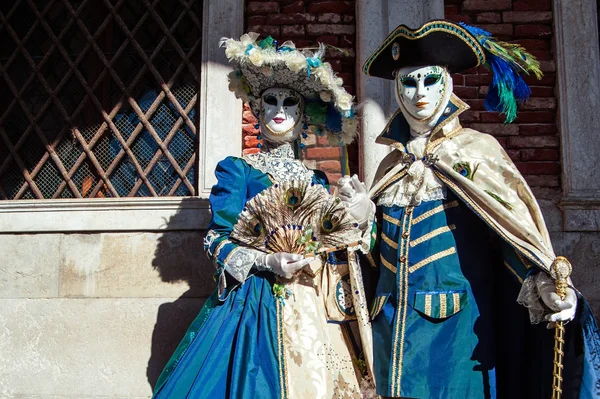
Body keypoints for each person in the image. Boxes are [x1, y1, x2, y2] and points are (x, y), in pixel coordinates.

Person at [339, 20, 600, 398]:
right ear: (396, 89)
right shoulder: (388, 166)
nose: (419, 94)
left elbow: (511, 233)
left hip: (456, 329)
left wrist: (543, 281)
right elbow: (379, 257)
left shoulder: (476, 152)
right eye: (409, 83)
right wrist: (365, 222)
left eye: (430, 81)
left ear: (448, 85)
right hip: (389, 328)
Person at [152, 33, 366, 399]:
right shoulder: (238, 170)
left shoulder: (316, 178)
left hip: (312, 300)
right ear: (258, 109)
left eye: (289, 103)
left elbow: (329, 243)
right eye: (271, 101)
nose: (279, 110)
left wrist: (355, 214)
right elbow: (216, 240)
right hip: (257, 298)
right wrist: (267, 260)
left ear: (301, 116)